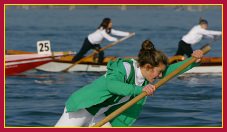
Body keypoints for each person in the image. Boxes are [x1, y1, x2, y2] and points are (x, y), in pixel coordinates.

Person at [55, 40, 203, 127]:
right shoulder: (124, 68)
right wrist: (139, 90)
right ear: (147, 67)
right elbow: (111, 86)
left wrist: (192, 61)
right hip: (81, 109)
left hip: (99, 115)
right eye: (158, 72)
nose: (160, 76)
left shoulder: (148, 75)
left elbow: (170, 71)